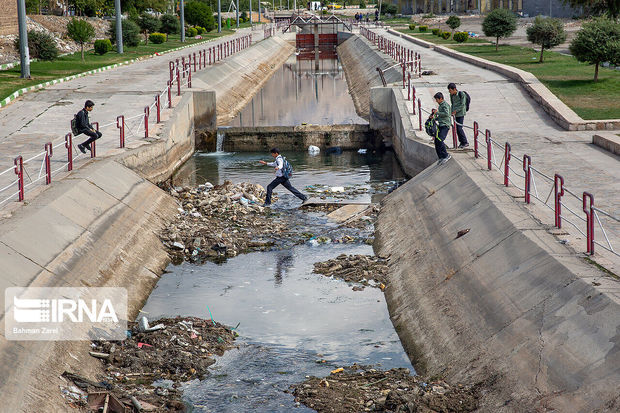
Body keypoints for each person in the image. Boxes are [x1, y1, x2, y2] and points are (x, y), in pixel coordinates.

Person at [431, 92, 452, 165]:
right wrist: (434, 118)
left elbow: (446, 114)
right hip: (440, 125)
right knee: (436, 141)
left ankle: (446, 155)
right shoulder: (440, 105)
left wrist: (437, 113)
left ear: (441, 99)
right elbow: (440, 116)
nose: (436, 101)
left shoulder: (445, 105)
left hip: (445, 125)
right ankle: (440, 157)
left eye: (437, 99)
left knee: (440, 139)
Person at [448, 83, 469, 148]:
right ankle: (461, 142)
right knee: (457, 129)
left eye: (450, 90)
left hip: (460, 113)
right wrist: (451, 112)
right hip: (455, 114)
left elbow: (463, 105)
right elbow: (453, 104)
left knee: (459, 128)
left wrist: (456, 111)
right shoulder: (451, 95)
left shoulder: (461, 94)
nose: (450, 92)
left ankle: (465, 142)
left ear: (454, 89)